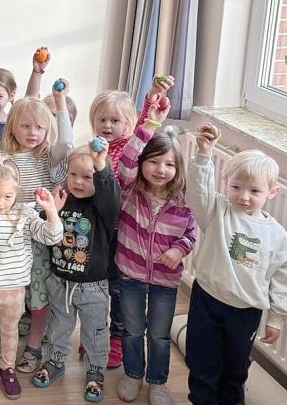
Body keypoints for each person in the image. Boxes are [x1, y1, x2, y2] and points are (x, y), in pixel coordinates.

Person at [184, 127, 287, 405]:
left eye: (254, 191)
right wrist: (203, 154)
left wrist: (276, 318)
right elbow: (197, 194)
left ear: (272, 192)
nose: (244, 196)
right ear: (226, 182)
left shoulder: (277, 237)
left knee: (235, 371)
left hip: (245, 311)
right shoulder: (217, 211)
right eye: (236, 187)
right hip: (207, 301)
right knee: (201, 364)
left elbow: (284, 278)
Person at [0, 82, 73, 371]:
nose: (33, 133)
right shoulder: (1, 159)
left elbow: (67, 145)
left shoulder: (48, 157)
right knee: (6, 291)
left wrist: (60, 102)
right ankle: (4, 334)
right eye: (25, 126)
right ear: (12, 127)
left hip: (38, 236)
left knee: (37, 293)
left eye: (39, 128)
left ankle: (33, 345)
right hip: (8, 237)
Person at [87, 75, 173, 368]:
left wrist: (152, 97)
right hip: (96, 231)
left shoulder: (130, 149)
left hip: (122, 232)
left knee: (119, 288)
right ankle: (96, 335)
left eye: (115, 120)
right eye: (102, 119)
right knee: (96, 286)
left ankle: (117, 338)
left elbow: (142, 129)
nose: (108, 126)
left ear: (127, 124)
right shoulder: (93, 148)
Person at [0, 158, 63, 399]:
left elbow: (52, 236)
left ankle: (7, 367)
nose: (0, 203)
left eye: (7, 196)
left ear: (17, 191)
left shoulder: (25, 215)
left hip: (15, 290)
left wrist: (50, 210)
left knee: (9, 330)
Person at [114, 99, 195, 405]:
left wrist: (179, 249)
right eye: (154, 161)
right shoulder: (131, 189)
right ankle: (133, 374)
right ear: (143, 163)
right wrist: (150, 125)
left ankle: (157, 382)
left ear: (178, 168)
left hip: (166, 280)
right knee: (133, 330)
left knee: (159, 336)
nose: (161, 170)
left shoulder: (183, 201)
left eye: (170, 164)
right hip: (130, 274)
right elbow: (126, 161)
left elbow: (191, 233)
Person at [31, 141, 121, 402]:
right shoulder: (61, 198)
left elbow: (112, 198)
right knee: (59, 326)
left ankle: (95, 372)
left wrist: (101, 166)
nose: (78, 182)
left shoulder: (102, 208)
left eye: (87, 177)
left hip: (92, 285)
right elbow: (43, 231)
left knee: (95, 332)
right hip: (60, 281)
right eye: (73, 175)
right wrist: (51, 211)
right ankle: (56, 362)